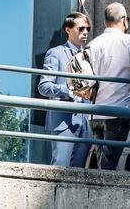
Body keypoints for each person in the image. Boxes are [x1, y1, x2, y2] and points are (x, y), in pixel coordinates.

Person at [87, 2, 130, 170]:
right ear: (124, 20)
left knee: (102, 162)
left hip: (95, 112)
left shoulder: (94, 43)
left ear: (106, 21)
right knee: (108, 164)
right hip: (118, 110)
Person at [37, 11, 93, 167]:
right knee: (60, 166)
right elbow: (44, 86)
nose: (85, 32)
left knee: (79, 171)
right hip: (63, 120)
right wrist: (69, 89)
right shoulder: (55, 53)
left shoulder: (89, 55)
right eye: (81, 28)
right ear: (68, 30)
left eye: (87, 29)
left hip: (85, 120)